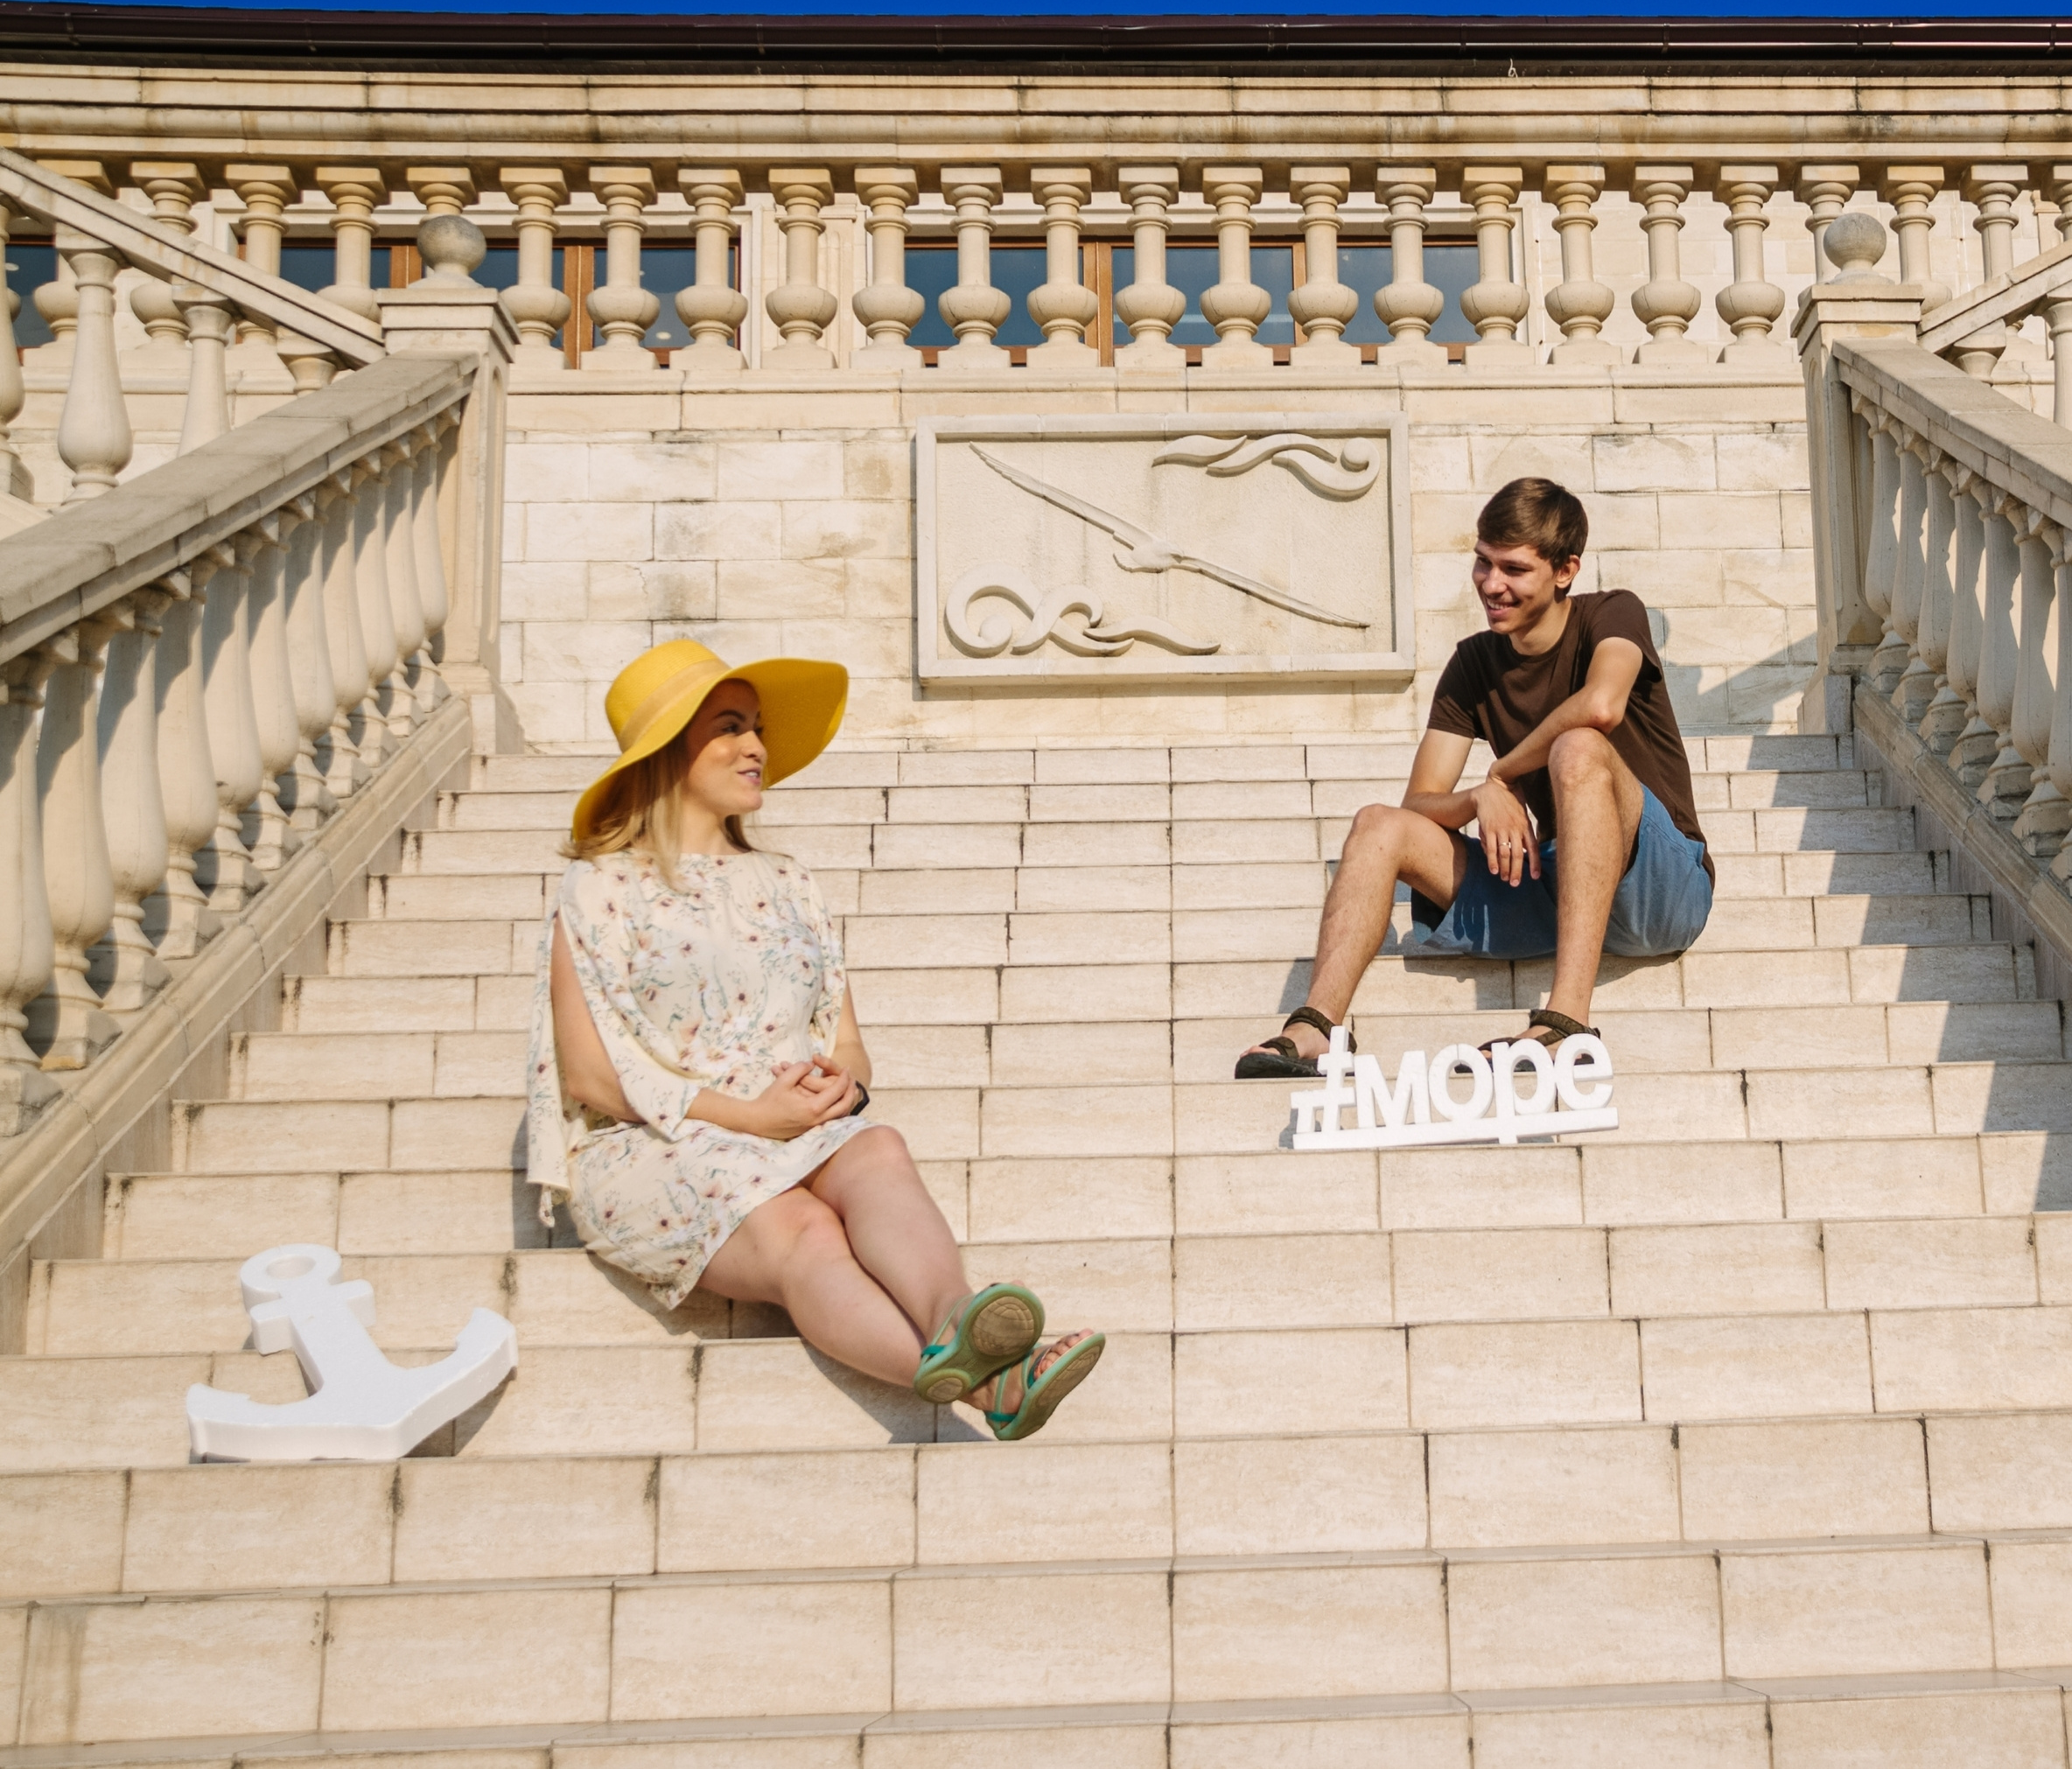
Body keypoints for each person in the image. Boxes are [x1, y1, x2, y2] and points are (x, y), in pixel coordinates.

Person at [528, 638, 1102, 1440]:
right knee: (802, 1229)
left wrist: (847, 1088)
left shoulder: (791, 881)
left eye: (756, 727)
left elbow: (848, 1041)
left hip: (787, 1125)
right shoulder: (601, 887)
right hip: (652, 1142)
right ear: (669, 752)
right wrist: (749, 1117)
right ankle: (989, 1385)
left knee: (877, 1146)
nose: (757, 747)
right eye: (731, 728)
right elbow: (588, 1076)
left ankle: (955, 1319)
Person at [1237, 476, 1713, 1080]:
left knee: (1579, 748)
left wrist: (1503, 772)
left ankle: (1565, 1023)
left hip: (1661, 884)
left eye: (1514, 569)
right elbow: (1421, 802)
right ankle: (1315, 1027)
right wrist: (1476, 798)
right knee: (1378, 825)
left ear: (1566, 570)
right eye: (1483, 563)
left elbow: (1601, 706)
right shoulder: (1473, 663)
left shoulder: (1613, 613)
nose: (1492, 584)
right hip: (1560, 881)